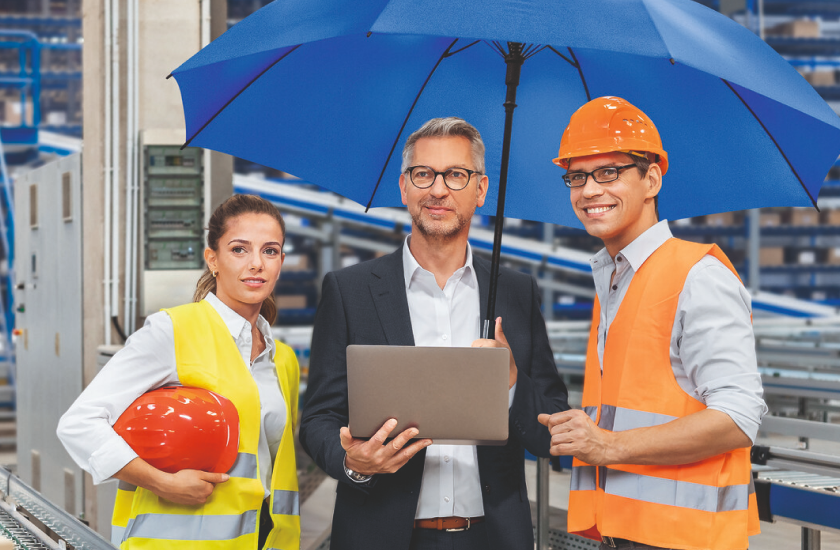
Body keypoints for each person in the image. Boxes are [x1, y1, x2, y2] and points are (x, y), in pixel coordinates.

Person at [300, 117, 571, 550]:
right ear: (405, 188)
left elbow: (549, 432)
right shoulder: (349, 290)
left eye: (456, 175)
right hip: (380, 534)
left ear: (480, 190)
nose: (438, 189)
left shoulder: (516, 293)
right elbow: (316, 419)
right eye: (423, 174)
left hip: (492, 537)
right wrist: (354, 462)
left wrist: (511, 381)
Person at [541, 96, 764, 550]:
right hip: (624, 531)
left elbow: (739, 418)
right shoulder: (615, 279)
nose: (588, 191)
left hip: (687, 538)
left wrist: (607, 446)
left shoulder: (697, 276)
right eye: (577, 176)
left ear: (652, 178)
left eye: (609, 173)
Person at [56, 194, 301, 550]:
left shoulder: (283, 360)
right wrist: (159, 481)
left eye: (270, 251)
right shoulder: (173, 331)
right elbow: (79, 423)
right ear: (212, 260)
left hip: (261, 540)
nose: (256, 264)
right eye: (239, 249)